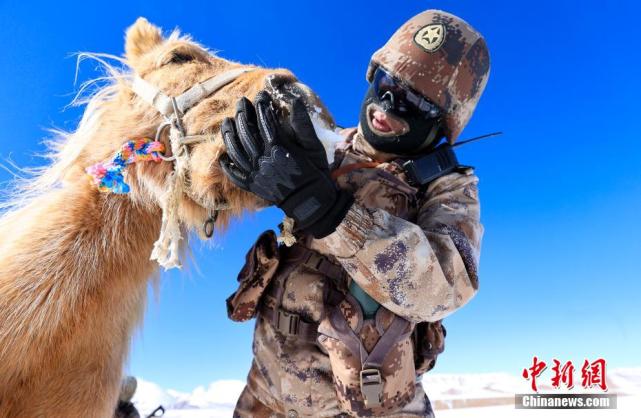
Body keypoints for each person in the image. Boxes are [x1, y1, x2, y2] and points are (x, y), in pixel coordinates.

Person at [220, 9, 490, 418]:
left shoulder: (448, 189)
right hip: (265, 397)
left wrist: (329, 212)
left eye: (413, 102)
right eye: (385, 83)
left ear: (442, 124)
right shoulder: (324, 142)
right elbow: (224, 183)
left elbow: (445, 284)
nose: (387, 103)